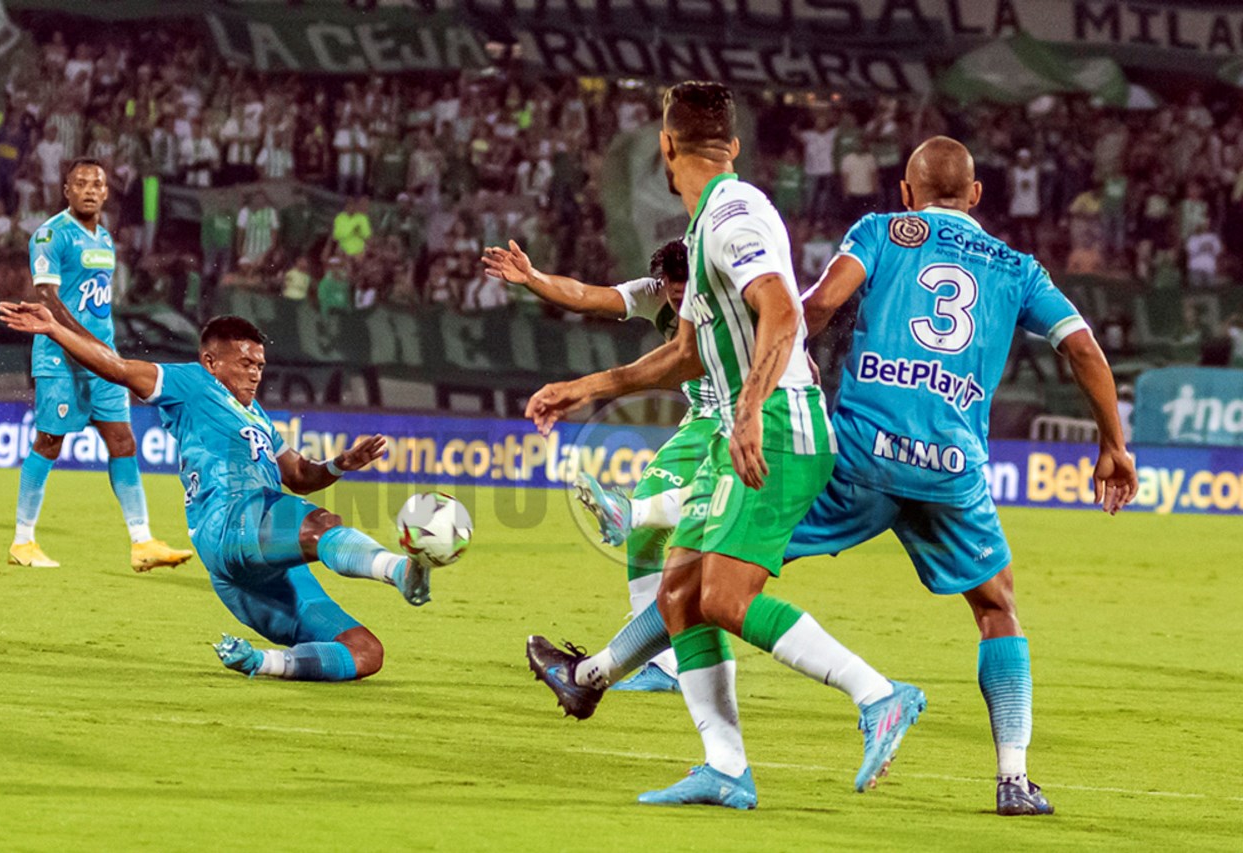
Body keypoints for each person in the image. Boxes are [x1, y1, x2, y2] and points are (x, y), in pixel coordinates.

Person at [538, 137, 1139, 818]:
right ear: (976, 195)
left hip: (859, 455)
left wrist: (774, 375)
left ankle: (611, 654)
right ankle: (1014, 780)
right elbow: (1082, 348)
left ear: (907, 192)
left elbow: (818, 306)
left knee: (708, 573)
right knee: (996, 607)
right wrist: (1113, 445)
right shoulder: (1019, 268)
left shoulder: (883, 231)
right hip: (952, 469)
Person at [523, 82, 924, 809]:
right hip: (750, 427)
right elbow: (684, 354)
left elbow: (782, 311)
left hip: (779, 428)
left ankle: (879, 694)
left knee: (724, 598)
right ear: (731, 145)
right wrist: (588, 387)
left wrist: (748, 408)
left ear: (665, 145)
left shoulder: (735, 214)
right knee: (679, 597)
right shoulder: (706, 224)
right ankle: (725, 768)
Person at [0, 307, 437, 682]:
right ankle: (401, 572)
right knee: (320, 524)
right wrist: (54, 329)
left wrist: (341, 463)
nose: (255, 372)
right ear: (211, 362)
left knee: (365, 652)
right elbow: (117, 367)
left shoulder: (257, 416)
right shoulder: (192, 383)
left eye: (260, 365)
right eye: (245, 362)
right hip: (231, 521)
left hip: (250, 573)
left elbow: (301, 475)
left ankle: (261, 662)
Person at [483, 237, 705, 693]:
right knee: (650, 539)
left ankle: (631, 513)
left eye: (687, 288)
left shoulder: (728, 295)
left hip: (752, 415)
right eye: (673, 289)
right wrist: (533, 278)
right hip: (704, 416)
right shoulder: (655, 295)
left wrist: (586, 388)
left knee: (722, 546)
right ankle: (664, 666)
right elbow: (586, 295)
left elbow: (677, 363)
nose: (679, 298)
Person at [10, 157, 192, 572]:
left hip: (103, 360)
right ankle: (22, 541)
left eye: (97, 184)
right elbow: (48, 299)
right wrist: (86, 341)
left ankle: (142, 542)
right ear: (66, 190)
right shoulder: (50, 235)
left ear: (107, 192)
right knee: (49, 442)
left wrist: (100, 348)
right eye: (81, 183)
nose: (89, 190)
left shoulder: (105, 238)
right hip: (60, 356)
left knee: (123, 441)